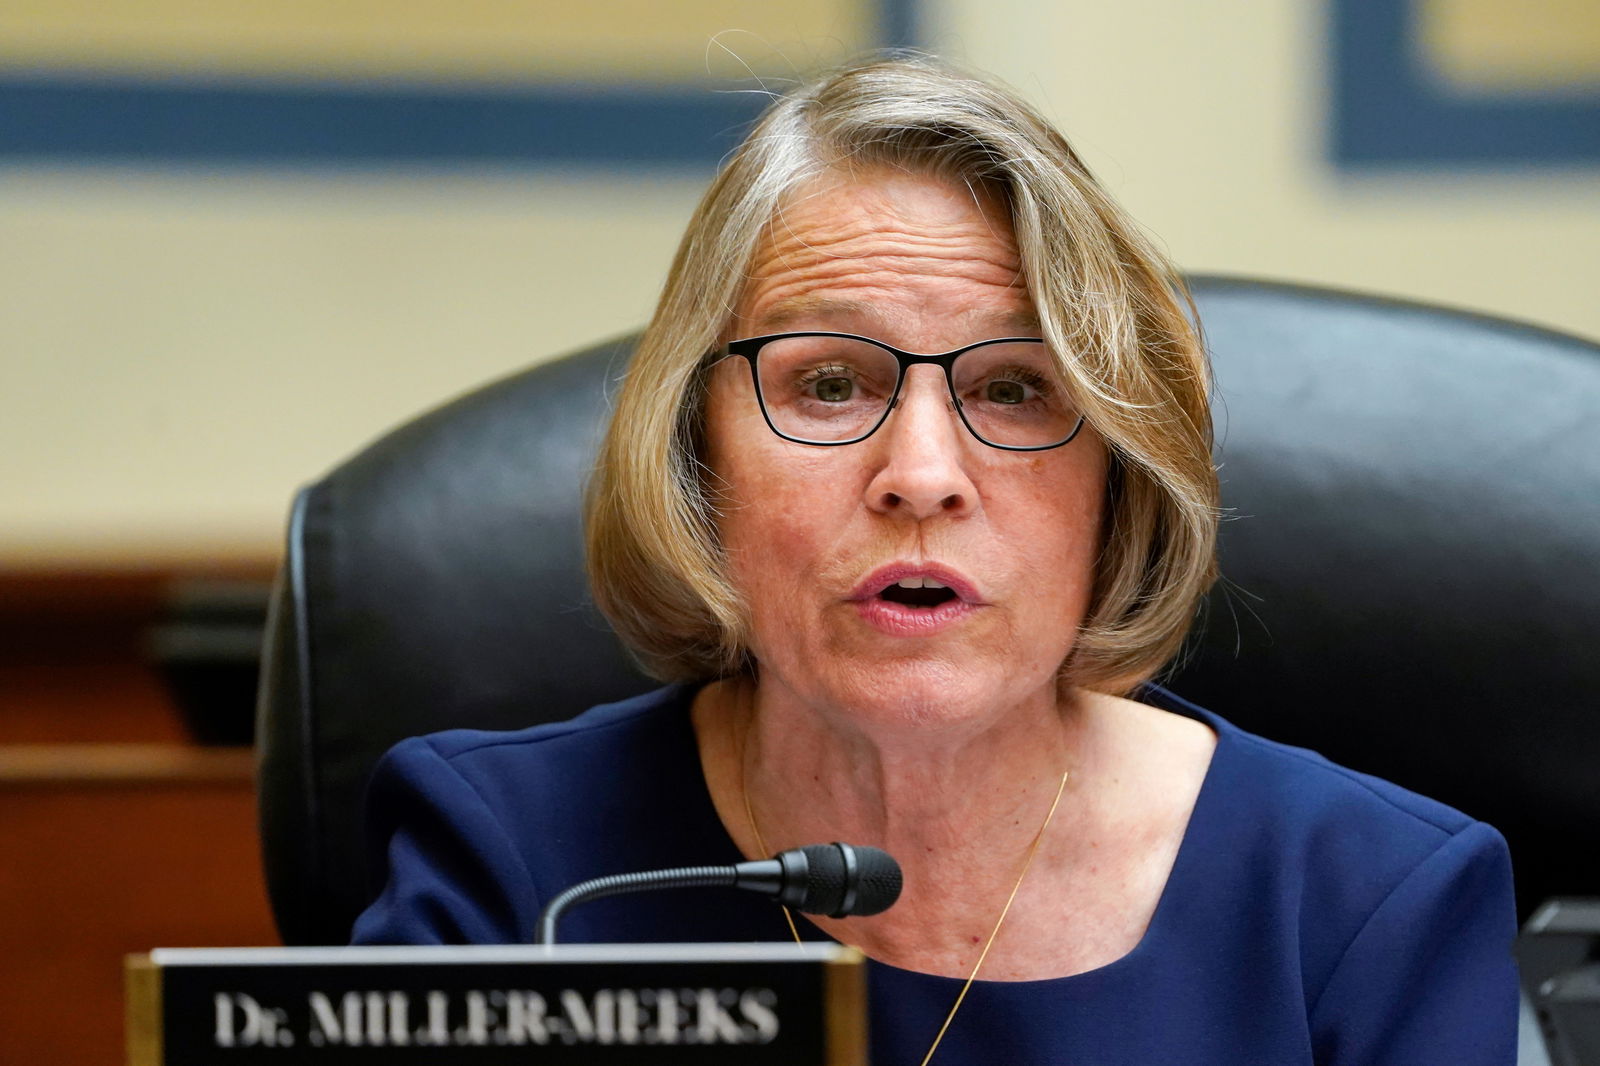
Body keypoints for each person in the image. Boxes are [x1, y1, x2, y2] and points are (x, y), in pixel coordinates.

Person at [351, 56, 1518, 1063]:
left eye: (1012, 389)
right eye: (826, 382)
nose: (920, 472)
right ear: (695, 453)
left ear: (1117, 476)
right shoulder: (520, 869)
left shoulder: (1367, 902)